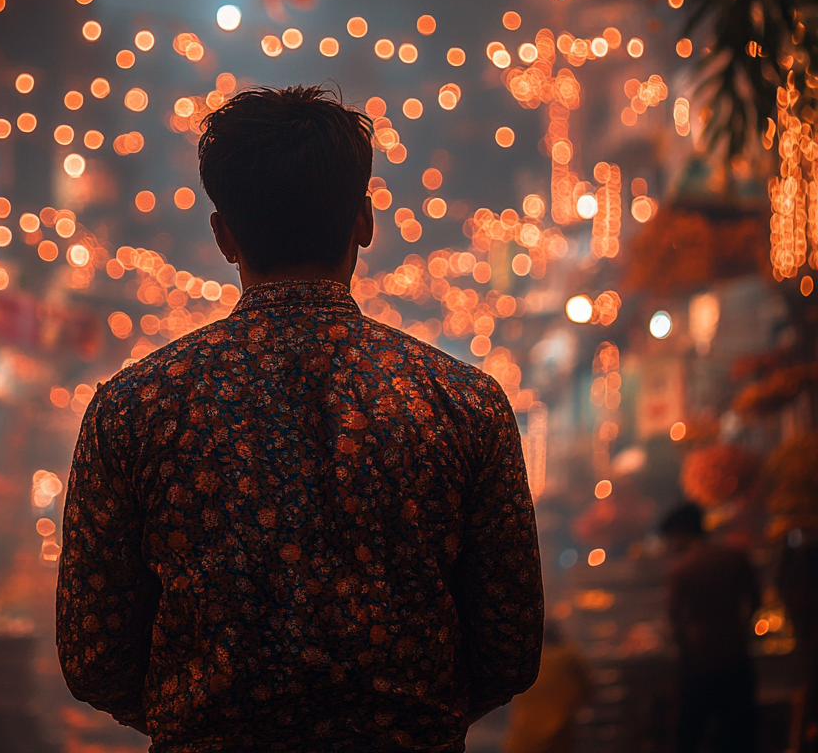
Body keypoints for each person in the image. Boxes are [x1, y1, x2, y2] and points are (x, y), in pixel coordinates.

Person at [57, 85, 544, 750]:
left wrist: (203, 717)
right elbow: (509, 645)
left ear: (224, 235)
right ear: (364, 224)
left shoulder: (134, 409)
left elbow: (95, 656)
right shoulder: (463, 404)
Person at [660, 502, 760, 753]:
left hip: (699, 660)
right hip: (736, 655)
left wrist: (683, 649)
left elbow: (673, 617)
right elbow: (755, 600)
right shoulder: (736, 557)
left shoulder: (682, 568)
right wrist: (741, 629)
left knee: (689, 735)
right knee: (739, 733)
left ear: (681, 533)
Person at [504, 621, 593, 753]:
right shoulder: (570, 656)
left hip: (522, 740)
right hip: (558, 738)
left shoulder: (525, 658)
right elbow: (589, 691)